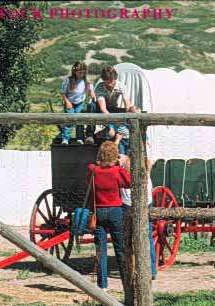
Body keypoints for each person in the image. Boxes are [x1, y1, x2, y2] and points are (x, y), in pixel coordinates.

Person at [87, 141, 131, 290]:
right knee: (120, 249)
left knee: (101, 251)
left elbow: (89, 183)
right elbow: (129, 183)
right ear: (114, 155)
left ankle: (102, 286)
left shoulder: (92, 169)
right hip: (115, 211)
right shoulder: (117, 171)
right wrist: (123, 165)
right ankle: (126, 283)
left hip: (98, 212)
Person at [119, 155, 157, 280]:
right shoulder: (145, 171)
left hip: (128, 205)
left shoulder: (122, 172)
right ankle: (151, 270)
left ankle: (129, 269)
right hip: (146, 203)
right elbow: (150, 162)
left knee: (128, 238)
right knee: (148, 236)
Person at [85, 66, 133, 144]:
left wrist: (129, 114)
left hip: (112, 107)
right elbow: (103, 108)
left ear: (115, 78)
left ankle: (119, 133)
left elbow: (127, 103)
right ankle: (89, 134)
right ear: (103, 80)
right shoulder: (100, 87)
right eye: (107, 82)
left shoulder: (121, 86)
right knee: (91, 106)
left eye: (112, 81)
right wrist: (111, 125)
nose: (110, 84)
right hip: (100, 109)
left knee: (126, 111)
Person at [60, 61, 96, 145]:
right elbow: (63, 92)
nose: (82, 74)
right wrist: (67, 102)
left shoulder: (86, 80)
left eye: (84, 73)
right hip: (70, 102)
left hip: (80, 102)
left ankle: (79, 138)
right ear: (75, 71)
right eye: (80, 72)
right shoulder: (68, 80)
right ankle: (65, 139)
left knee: (79, 120)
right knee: (69, 120)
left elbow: (91, 91)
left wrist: (93, 98)